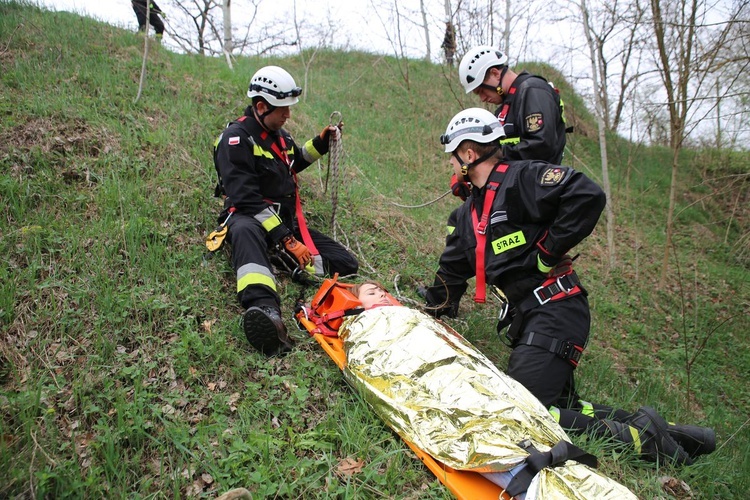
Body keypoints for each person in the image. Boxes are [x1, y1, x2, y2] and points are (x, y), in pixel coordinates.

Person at [421, 109, 715, 465]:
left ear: (468, 154)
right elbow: (450, 274)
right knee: (564, 408)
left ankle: (646, 442)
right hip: (530, 319)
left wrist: (547, 253)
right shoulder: (466, 217)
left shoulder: (523, 178)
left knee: (523, 409)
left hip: (557, 309)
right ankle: (677, 433)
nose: (450, 167)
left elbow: (587, 196)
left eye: (452, 158)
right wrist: (429, 311)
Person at [349, 281, 714, 467]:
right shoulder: (369, 323)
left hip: (472, 370)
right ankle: (665, 432)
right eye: (370, 292)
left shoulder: (413, 315)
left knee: (534, 409)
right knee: (549, 405)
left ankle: (642, 438)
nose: (380, 293)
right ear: (358, 304)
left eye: (380, 289)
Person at [212, 65, 359, 357]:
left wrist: (321, 143)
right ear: (261, 106)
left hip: (284, 226)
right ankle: (265, 308)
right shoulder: (235, 140)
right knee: (243, 231)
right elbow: (246, 198)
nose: (288, 115)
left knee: (345, 262)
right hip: (250, 220)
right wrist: (285, 238)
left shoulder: (279, 136)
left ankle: (283, 261)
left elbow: (295, 161)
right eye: (282, 109)